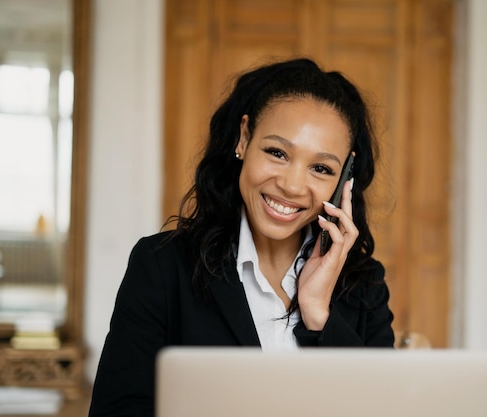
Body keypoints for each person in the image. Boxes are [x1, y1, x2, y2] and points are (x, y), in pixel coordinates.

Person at [88, 58, 395, 416]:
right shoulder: (162, 267)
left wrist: (319, 317)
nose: (292, 186)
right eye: (277, 152)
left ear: (344, 177)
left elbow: (382, 406)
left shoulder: (363, 283)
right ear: (244, 138)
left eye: (321, 168)